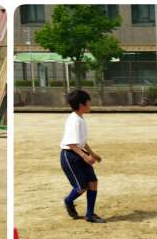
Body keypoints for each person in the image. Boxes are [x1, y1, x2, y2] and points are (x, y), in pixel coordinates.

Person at [60, 90, 105, 223]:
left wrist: (92, 153)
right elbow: (71, 143)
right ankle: (68, 201)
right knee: (82, 186)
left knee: (93, 183)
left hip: (79, 152)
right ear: (81, 104)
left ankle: (90, 215)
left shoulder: (80, 118)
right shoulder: (74, 120)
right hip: (70, 156)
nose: (90, 104)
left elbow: (81, 141)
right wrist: (85, 157)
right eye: (89, 102)